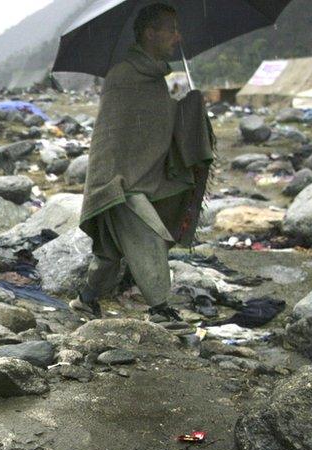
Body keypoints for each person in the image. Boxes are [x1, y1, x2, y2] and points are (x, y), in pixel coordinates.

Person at [72, 3, 213, 323]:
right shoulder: (123, 76)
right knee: (150, 234)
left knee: (109, 252)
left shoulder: (162, 77)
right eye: (171, 29)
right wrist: (109, 179)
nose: (178, 36)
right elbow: (110, 135)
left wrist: (192, 107)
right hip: (117, 178)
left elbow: (167, 125)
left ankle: (86, 299)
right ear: (150, 33)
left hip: (145, 174)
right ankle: (161, 308)